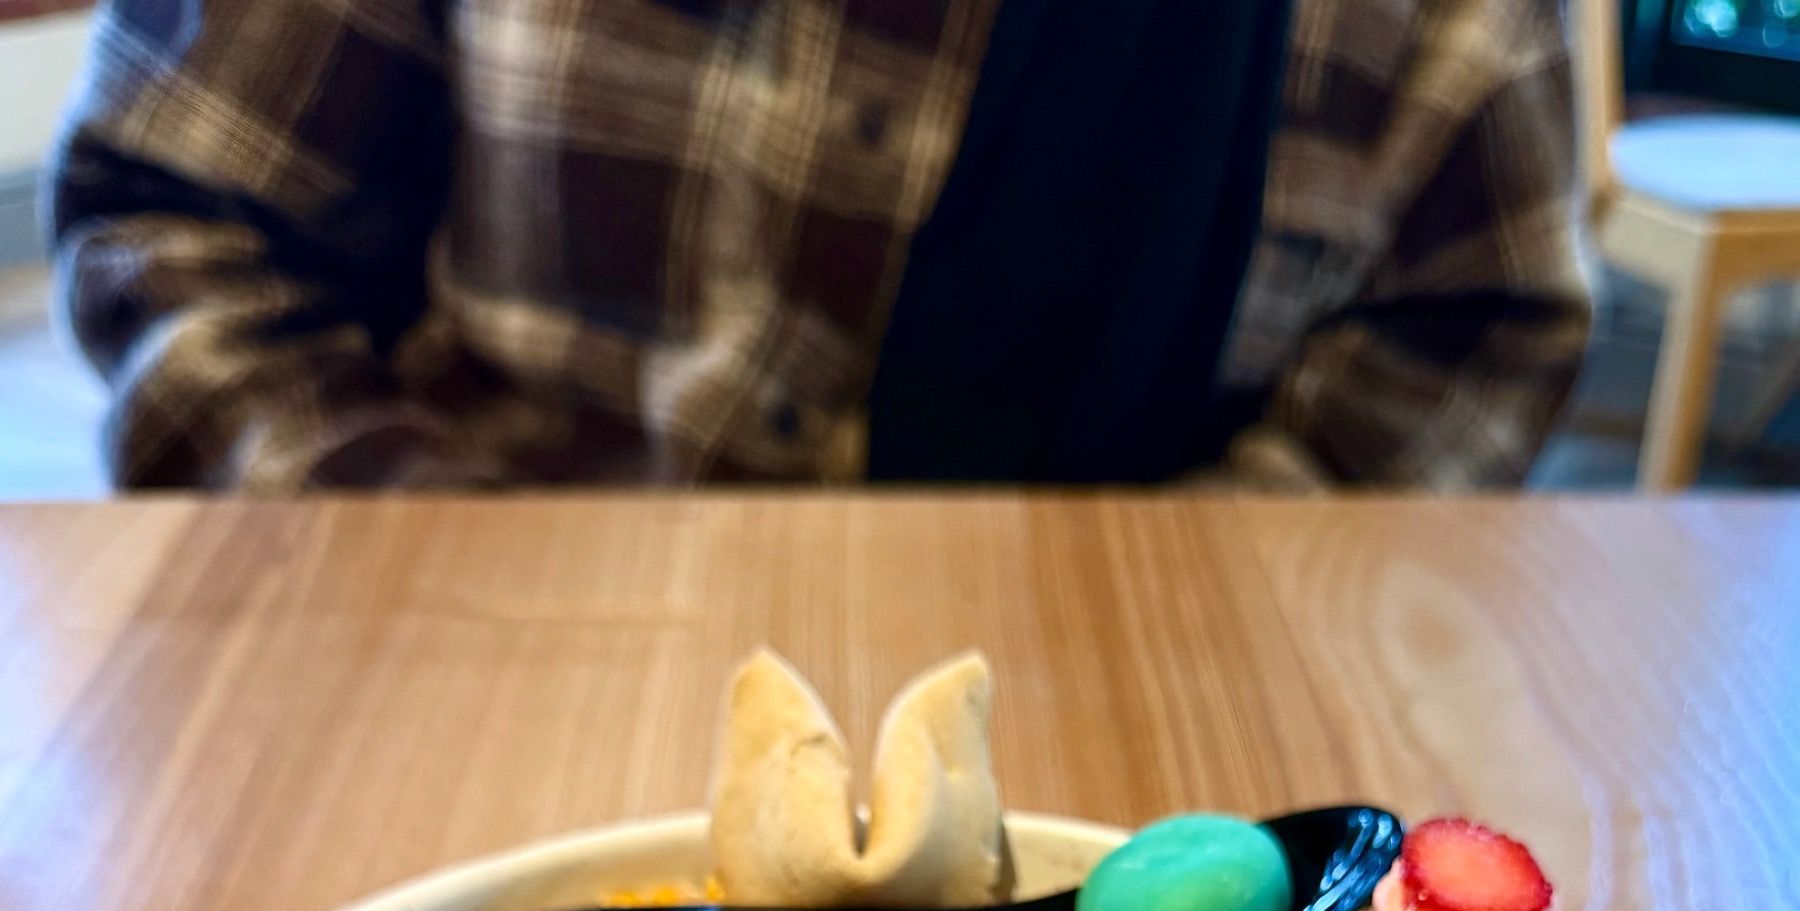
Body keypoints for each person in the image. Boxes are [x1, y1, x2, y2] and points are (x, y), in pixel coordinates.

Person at [51, 0, 1591, 494]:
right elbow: (182, 217)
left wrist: (1199, 614)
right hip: (486, 618)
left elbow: (1475, 328)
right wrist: (431, 579)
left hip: (1125, 757)